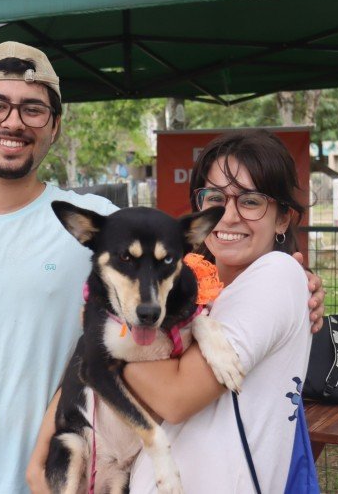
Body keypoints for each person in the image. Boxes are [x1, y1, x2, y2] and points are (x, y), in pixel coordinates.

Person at [0, 41, 326, 493]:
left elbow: (178, 273)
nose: (13, 122)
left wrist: (290, 281)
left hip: (77, 476)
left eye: (33, 109)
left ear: (55, 125)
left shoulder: (101, 226)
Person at [123, 130, 320, 492]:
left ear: (282, 219)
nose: (227, 216)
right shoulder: (198, 292)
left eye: (250, 201)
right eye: (215, 198)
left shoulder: (277, 274)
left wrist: (106, 346)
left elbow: (176, 397)